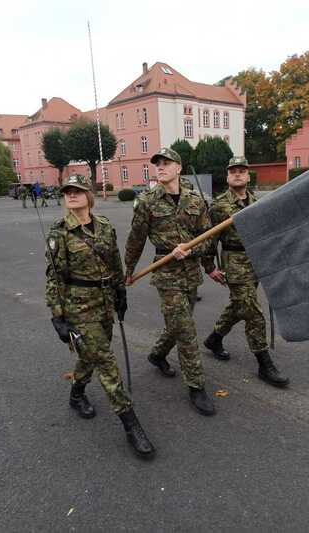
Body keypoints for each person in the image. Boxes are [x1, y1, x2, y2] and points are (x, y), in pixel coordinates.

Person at [45, 174, 155, 458]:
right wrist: (57, 315)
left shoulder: (104, 226)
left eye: (77, 190)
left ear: (89, 195)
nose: (71, 195)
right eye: (67, 191)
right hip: (79, 307)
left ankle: (76, 393)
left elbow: (115, 262)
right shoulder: (59, 232)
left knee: (91, 354)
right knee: (106, 361)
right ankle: (131, 424)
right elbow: (54, 278)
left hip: (105, 301)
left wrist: (121, 293)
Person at [124, 148, 224, 416]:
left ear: (179, 168)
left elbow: (207, 238)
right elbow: (135, 239)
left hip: (191, 273)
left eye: (166, 163)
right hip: (166, 273)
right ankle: (196, 385)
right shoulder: (147, 201)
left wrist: (201, 259)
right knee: (186, 330)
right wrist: (128, 270)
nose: (160, 167)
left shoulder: (196, 200)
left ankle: (157, 355)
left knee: (177, 325)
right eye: (157, 164)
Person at [204, 156, 290, 388]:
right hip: (234, 263)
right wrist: (210, 267)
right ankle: (264, 363)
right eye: (233, 171)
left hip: (255, 263)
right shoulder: (219, 205)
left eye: (242, 170)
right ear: (227, 176)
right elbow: (209, 239)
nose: (238, 174)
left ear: (248, 175)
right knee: (252, 311)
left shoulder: (256, 202)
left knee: (239, 306)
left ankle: (214, 339)